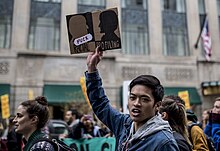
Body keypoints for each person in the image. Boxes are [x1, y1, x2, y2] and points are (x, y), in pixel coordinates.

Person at [85, 46, 179, 150]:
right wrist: (92, 69)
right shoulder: (124, 124)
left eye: (144, 99)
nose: (136, 103)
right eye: (132, 97)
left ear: (157, 105)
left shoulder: (164, 142)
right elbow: (100, 104)